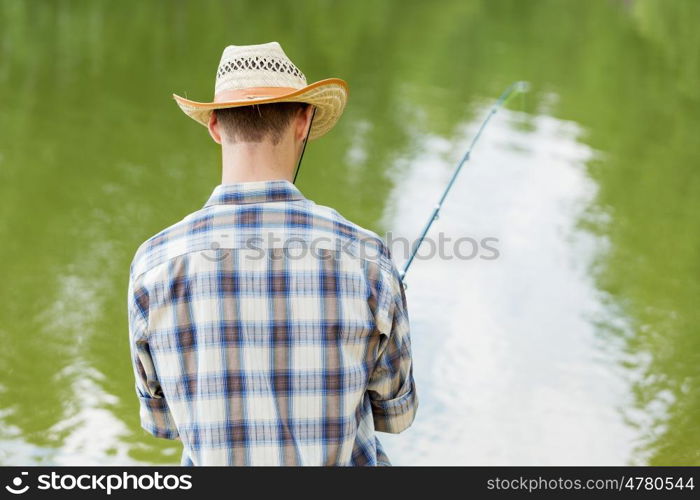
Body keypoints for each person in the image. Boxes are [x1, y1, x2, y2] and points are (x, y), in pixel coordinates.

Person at [127, 42, 417, 466]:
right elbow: (396, 412)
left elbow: (162, 421)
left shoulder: (153, 265)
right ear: (303, 122)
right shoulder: (367, 257)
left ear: (213, 126)